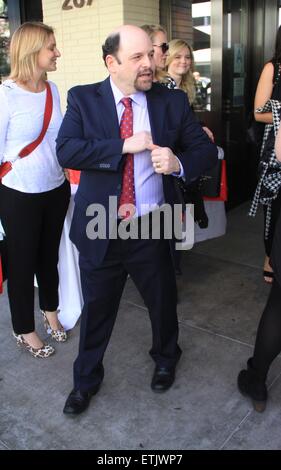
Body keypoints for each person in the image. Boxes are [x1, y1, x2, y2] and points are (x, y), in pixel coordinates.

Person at [56, 24, 217, 416]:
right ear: (112, 63)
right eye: (138, 58)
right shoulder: (83, 99)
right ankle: (85, 381)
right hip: (100, 221)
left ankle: (166, 357)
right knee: (98, 309)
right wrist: (122, 146)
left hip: (151, 221)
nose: (150, 63)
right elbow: (67, 150)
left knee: (162, 300)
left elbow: (204, 152)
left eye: (151, 54)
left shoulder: (169, 102)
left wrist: (178, 163)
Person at [0, 22, 70, 358]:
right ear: (32, 52)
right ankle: (24, 329)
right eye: (51, 47)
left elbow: (58, 140)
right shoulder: (6, 95)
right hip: (19, 193)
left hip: (55, 187)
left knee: (49, 257)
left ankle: (51, 312)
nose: (57, 53)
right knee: (21, 263)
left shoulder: (53, 90)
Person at [250, 25, 281, 284]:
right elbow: (259, 112)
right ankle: (271, 258)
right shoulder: (274, 68)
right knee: (275, 207)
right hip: (276, 153)